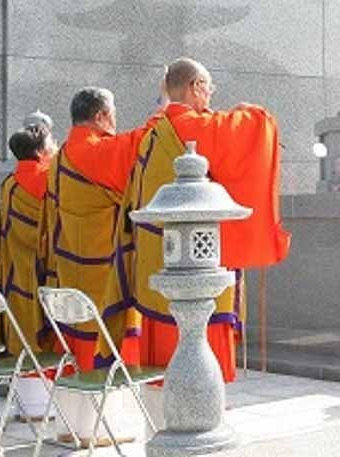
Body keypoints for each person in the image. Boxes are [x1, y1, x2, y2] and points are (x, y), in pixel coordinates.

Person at [106, 58, 289, 383]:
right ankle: (201, 408)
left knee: (159, 365)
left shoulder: (153, 132)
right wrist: (251, 109)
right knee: (198, 357)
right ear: (196, 87)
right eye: (209, 87)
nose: (211, 96)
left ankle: (160, 413)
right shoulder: (196, 127)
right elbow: (256, 125)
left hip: (154, 266)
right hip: (197, 275)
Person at [41, 87, 161, 369]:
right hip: (103, 275)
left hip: (69, 270)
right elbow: (145, 141)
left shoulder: (59, 157)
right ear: (101, 115)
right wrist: (166, 106)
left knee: (74, 353)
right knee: (100, 355)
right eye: (113, 114)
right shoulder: (92, 151)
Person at [0, 126, 57, 354]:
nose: (55, 144)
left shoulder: (9, 185)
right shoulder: (51, 179)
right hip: (48, 271)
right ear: (41, 150)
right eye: (51, 141)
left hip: (15, 271)